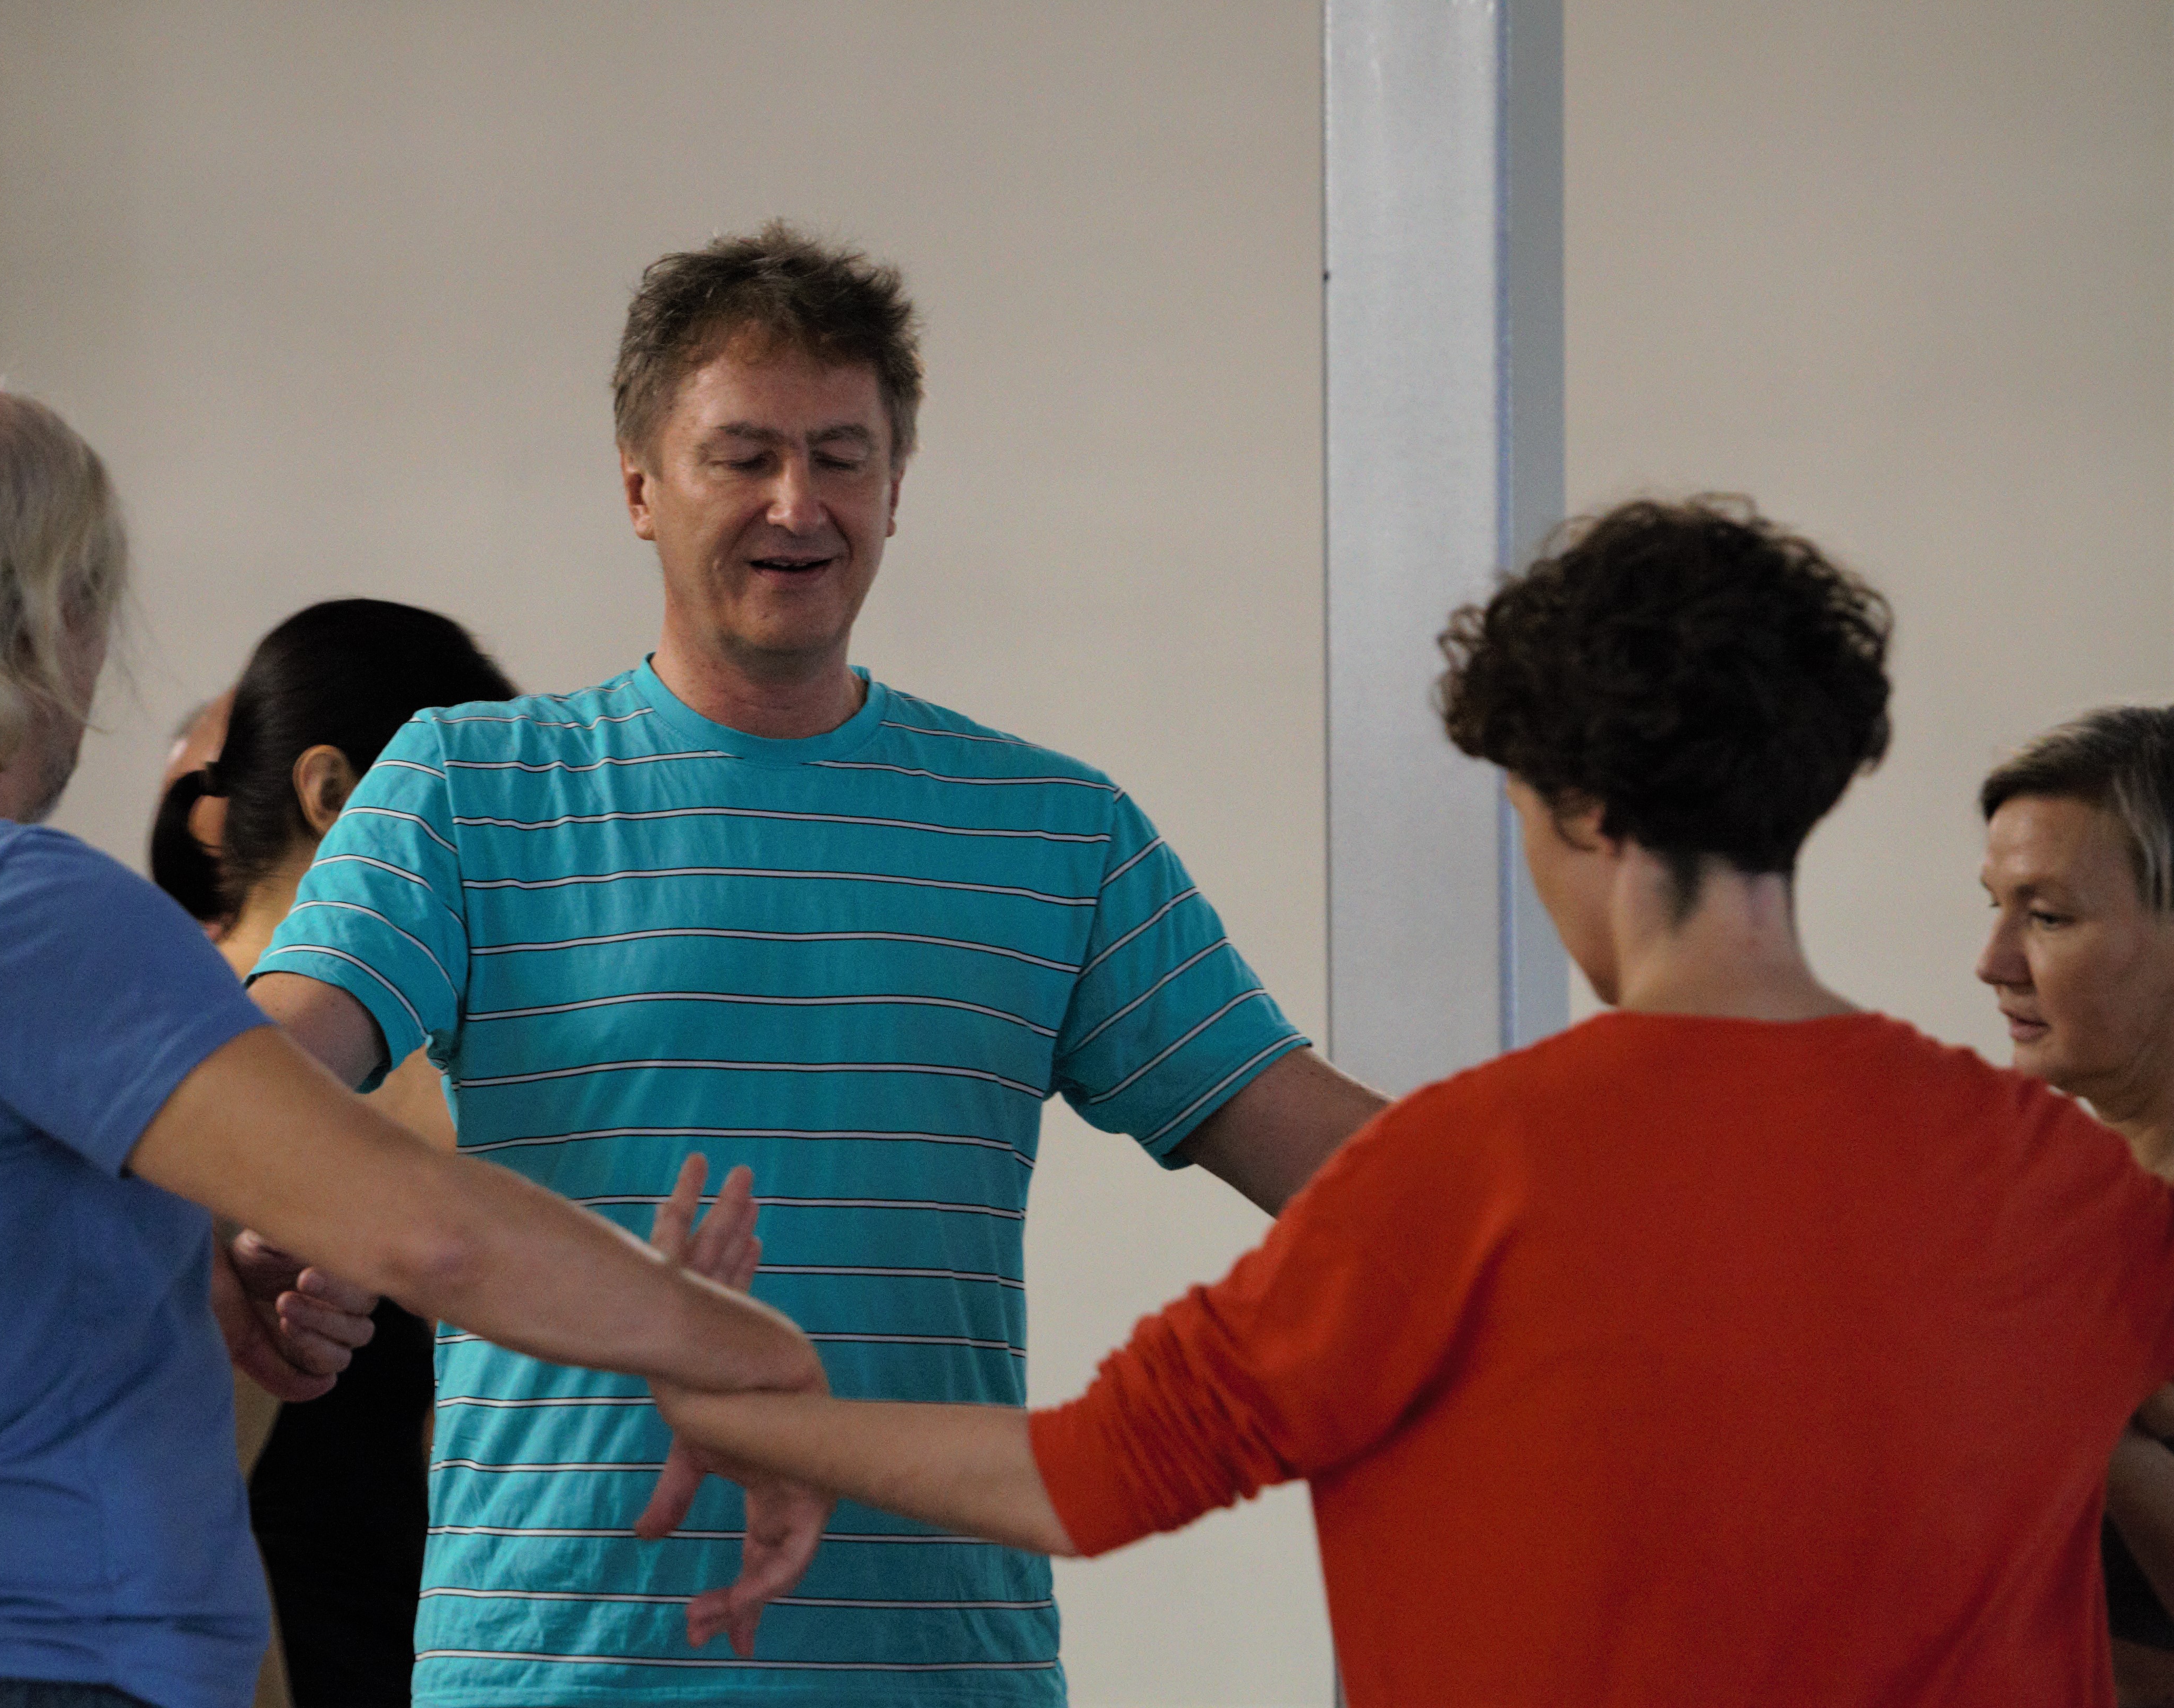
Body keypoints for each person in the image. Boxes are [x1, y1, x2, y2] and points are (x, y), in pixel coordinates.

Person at [651, 498, 2174, 1707]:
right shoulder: (2063, 1185)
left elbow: (1087, 1478)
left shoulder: (1463, 1175)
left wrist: (744, 1414)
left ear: (1586, 813)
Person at [248, 224, 1385, 1705]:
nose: (800, 505)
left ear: (897, 487)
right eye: (744, 457)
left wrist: (1598, 1191)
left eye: (843, 457)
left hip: (938, 1673)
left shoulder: (1055, 831)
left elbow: (1347, 1168)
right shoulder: (471, 787)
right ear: (639, 487)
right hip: (555, 1672)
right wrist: (286, 1214)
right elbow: (260, 1072)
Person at [0, 379, 824, 1708]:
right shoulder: (12, 908)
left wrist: (179, 1257)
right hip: (30, 1670)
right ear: (42, 614)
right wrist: (739, 1346)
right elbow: (430, 1233)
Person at [151, 601, 512, 1707]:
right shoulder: (256, 1080)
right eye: (475, 824)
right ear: (333, 796)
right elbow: (195, 1506)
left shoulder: (149, 1037)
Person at [1976, 707, 2174, 1707]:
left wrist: (2095, 1401)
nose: (1993, 961)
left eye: (2047, 918)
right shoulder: (2047, 1209)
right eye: (1996, 908)